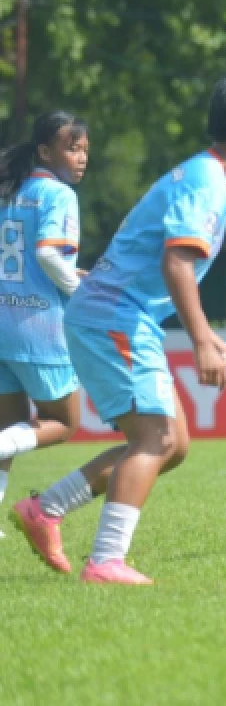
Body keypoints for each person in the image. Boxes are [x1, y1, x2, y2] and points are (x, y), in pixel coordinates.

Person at [10, 75, 226, 584]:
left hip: (115, 314)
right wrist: (202, 338)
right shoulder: (207, 184)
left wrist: (204, 332)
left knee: (172, 443)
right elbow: (177, 264)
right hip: (115, 316)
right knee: (156, 438)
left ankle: (45, 509)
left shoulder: (204, 176)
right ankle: (106, 562)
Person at [0, 112, 90, 535]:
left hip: (2, 320)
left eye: (85, 149)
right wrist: (80, 290)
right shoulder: (58, 194)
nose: (82, 157)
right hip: (37, 326)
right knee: (64, 422)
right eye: (72, 148)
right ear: (44, 152)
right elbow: (48, 255)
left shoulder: (10, 189)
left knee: (10, 425)